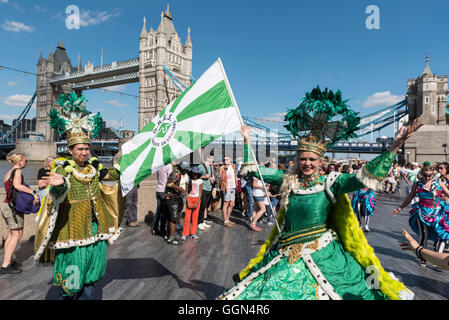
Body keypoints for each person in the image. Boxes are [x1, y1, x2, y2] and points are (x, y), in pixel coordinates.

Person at [218, 86, 418, 300]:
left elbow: (362, 177)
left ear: (320, 162)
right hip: (285, 250)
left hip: (323, 251)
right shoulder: (288, 180)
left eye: (312, 160)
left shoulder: (331, 182)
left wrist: (394, 147)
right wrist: (247, 141)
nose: (307, 163)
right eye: (303, 159)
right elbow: (253, 169)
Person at [35, 92, 123, 299]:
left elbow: (115, 175)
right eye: (80, 149)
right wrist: (57, 185)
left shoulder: (93, 167)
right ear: (71, 149)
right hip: (73, 231)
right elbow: (58, 193)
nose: (84, 152)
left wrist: (128, 167)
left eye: (87, 148)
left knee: (90, 282)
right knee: (70, 284)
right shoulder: (62, 168)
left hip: (96, 228)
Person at [393, 165, 449, 266]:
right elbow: (409, 198)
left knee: (442, 235)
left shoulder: (438, 183)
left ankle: (437, 257)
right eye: (425, 175)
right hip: (422, 212)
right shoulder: (417, 184)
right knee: (424, 235)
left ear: (433, 174)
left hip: (437, 212)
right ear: (422, 174)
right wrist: (400, 208)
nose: (427, 178)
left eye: (430, 175)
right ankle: (423, 258)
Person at [1, 153, 36, 274]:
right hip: (13, 208)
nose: (26, 163)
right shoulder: (17, 171)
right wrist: (33, 192)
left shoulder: (8, 172)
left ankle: (8, 261)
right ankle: (5, 266)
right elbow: (17, 186)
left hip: (6, 205)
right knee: (16, 235)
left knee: (12, 235)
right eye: (25, 161)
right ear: (19, 161)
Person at [163, 162, 189, 245]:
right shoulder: (177, 173)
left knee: (170, 217)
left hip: (169, 197)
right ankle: (171, 237)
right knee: (173, 218)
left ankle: (168, 235)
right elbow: (170, 184)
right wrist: (180, 188)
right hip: (171, 198)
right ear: (183, 169)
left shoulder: (176, 172)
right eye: (185, 170)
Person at [181, 166, 202, 241]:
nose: (194, 174)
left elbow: (200, 193)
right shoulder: (188, 180)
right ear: (191, 173)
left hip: (197, 199)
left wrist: (197, 202)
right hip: (189, 198)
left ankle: (193, 233)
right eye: (193, 173)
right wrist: (188, 201)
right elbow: (186, 191)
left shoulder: (200, 181)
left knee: (195, 217)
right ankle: (184, 233)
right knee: (187, 217)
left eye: (196, 173)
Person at [153, 163, 173, 236]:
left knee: (158, 210)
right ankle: (162, 229)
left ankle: (154, 228)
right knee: (164, 212)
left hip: (158, 189)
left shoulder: (159, 165)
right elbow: (170, 180)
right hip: (164, 191)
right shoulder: (169, 166)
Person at [219, 156, 238, 227]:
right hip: (227, 187)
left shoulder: (232, 166)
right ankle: (225, 220)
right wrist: (224, 171)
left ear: (230, 160)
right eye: (224, 160)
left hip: (233, 186)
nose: (226, 161)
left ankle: (227, 219)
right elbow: (220, 177)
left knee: (232, 204)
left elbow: (234, 175)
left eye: (227, 160)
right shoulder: (222, 168)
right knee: (226, 203)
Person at [197, 155, 214, 231]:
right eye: (211, 158)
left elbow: (211, 176)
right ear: (207, 158)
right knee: (202, 205)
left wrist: (212, 179)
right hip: (202, 188)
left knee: (206, 206)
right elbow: (195, 176)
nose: (212, 159)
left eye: (213, 158)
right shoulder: (201, 166)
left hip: (209, 188)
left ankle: (203, 221)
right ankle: (199, 223)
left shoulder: (211, 167)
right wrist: (204, 176)